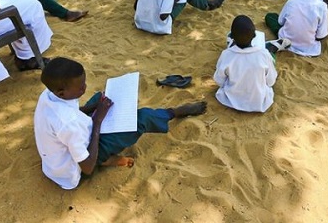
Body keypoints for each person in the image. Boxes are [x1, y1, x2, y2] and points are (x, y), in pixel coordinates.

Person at [33, 57, 207, 190]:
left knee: (101, 98)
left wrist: (94, 107)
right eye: (80, 87)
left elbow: (73, 114)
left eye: (84, 83)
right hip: (75, 170)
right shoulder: (67, 122)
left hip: (61, 156)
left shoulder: (49, 95)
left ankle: (108, 156)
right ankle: (174, 112)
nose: (84, 88)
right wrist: (98, 120)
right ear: (61, 92)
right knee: (143, 118)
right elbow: (86, 167)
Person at [214, 15, 286, 113]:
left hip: (230, 100)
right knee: (270, 57)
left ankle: (273, 47)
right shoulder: (263, 54)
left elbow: (219, 81)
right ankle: (273, 47)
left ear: (233, 38)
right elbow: (270, 81)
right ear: (254, 36)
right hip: (260, 101)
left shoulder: (226, 55)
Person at [264, 0, 328, 57]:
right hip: (309, 49)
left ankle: (282, 41)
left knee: (270, 16)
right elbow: (320, 36)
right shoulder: (322, 7)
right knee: (320, 25)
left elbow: (280, 22)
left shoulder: (292, 2)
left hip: (286, 39)